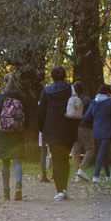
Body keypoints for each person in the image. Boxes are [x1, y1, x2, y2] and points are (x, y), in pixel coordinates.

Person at [37, 65, 80, 199]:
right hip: (68, 129)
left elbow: (41, 112)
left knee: (56, 160)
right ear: (64, 76)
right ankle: (65, 188)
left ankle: (59, 190)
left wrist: (41, 129)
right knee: (64, 159)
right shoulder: (70, 89)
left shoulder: (46, 91)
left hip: (52, 130)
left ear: (52, 77)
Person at [0, 81, 31, 200]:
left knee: (5, 163)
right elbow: (27, 117)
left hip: (3, 134)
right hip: (17, 134)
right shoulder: (22, 98)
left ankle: (6, 192)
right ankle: (18, 187)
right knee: (17, 161)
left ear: (4, 83)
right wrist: (23, 129)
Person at [84, 83, 111, 180]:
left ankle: (108, 175)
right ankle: (96, 176)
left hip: (96, 131)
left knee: (103, 152)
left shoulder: (94, 103)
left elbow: (87, 116)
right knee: (101, 153)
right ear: (107, 93)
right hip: (107, 131)